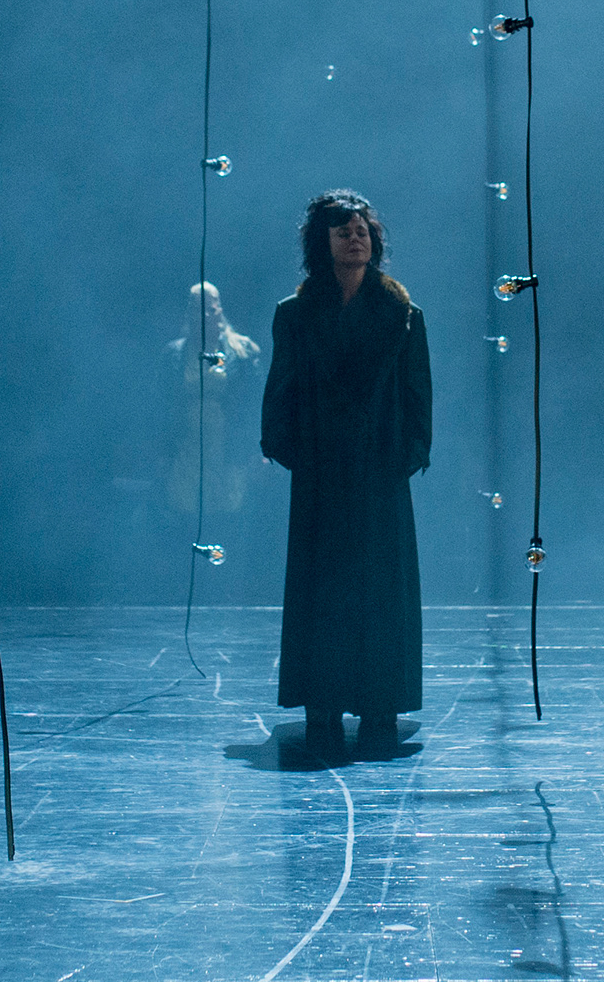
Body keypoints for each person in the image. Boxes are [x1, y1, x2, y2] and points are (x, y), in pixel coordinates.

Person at [260, 191, 434, 764]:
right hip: (322, 477)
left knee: (381, 592)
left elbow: (418, 394)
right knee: (323, 591)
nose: (355, 238)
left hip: (381, 475)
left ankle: (381, 707)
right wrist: (293, 451)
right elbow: (281, 390)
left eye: (362, 230)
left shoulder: (403, 314)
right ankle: (324, 707)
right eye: (343, 231)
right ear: (324, 241)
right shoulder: (295, 313)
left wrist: (409, 454)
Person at [161, 281, 267, 526]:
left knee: (227, 514)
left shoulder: (242, 353)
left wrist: (257, 451)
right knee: (186, 512)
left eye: (211, 308)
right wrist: (163, 453)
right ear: (189, 313)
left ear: (220, 311)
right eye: (199, 309)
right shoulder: (174, 354)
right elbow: (162, 406)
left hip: (228, 449)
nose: (206, 315)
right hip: (187, 448)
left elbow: (256, 404)